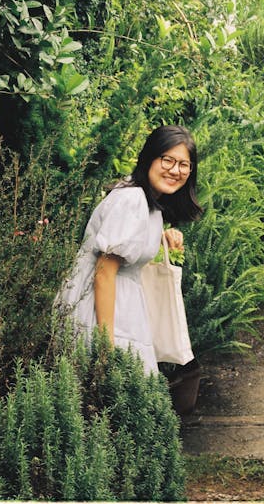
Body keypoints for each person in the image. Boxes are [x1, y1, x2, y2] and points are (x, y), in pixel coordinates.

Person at [55, 124, 202, 376]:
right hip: (103, 310)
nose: (175, 170)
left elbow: (128, 244)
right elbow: (104, 273)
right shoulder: (132, 200)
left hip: (120, 307)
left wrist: (161, 237)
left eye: (183, 165)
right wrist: (105, 348)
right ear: (149, 158)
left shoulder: (147, 202)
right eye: (167, 160)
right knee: (115, 394)